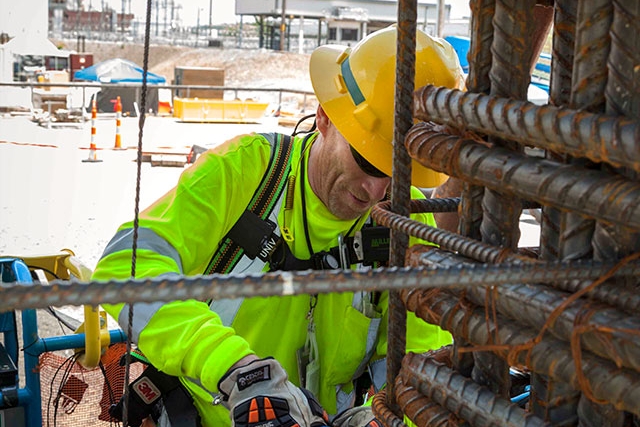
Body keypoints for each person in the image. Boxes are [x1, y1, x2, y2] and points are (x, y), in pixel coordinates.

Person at [92, 25, 465, 427]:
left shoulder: (404, 220)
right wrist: (234, 368)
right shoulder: (245, 174)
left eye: (397, 173)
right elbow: (124, 269)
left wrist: (389, 418)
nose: (376, 189)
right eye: (368, 162)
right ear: (325, 116)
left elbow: (422, 357)